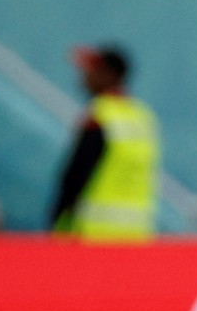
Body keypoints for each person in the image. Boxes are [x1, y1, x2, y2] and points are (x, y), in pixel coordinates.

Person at [48, 45, 160, 240]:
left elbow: (76, 176)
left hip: (95, 235)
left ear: (109, 74)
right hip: (137, 234)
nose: (84, 78)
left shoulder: (99, 117)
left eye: (92, 71)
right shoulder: (143, 118)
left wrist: (57, 219)